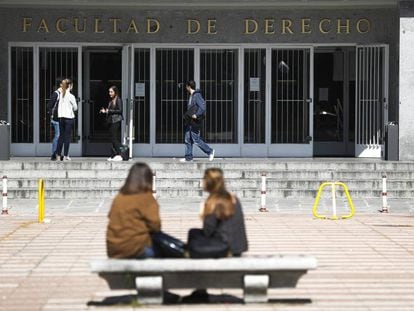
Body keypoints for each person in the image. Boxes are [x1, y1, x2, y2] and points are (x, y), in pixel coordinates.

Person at [184, 167, 248, 302]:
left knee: (193, 234)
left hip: (225, 248)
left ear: (209, 182)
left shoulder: (214, 201)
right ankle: (200, 289)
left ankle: (200, 289)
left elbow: (208, 231)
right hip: (238, 247)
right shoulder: (233, 198)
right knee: (195, 234)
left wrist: (203, 213)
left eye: (204, 180)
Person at [106, 162, 161, 259]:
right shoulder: (146, 198)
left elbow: (111, 216)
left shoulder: (119, 197)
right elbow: (156, 225)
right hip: (135, 249)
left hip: (113, 249)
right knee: (164, 250)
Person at [180, 80, 215, 162]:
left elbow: (203, 107)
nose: (186, 88)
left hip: (194, 121)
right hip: (190, 121)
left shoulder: (197, 95)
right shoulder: (192, 95)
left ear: (188, 86)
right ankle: (188, 157)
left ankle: (210, 151)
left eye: (186, 86)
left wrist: (196, 115)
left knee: (195, 139)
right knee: (187, 138)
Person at [54, 79, 77, 161]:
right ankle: (66, 155)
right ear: (70, 86)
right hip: (69, 118)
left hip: (61, 118)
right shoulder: (71, 96)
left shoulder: (60, 95)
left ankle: (58, 154)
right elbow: (75, 107)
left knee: (61, 136)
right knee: (67, 137)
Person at [100, 86, 123, 162]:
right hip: (111, 120)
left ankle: (119, 154)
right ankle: (113, 155)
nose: (110, 93)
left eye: (111, 92)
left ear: (115, 92)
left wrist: (109, 111)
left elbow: (120, 110)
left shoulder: (118, 100)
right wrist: (106, 111)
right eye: (109, 92)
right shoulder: (111, 100)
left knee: (114, 138)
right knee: (111, 138)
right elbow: (111, 110)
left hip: (116, 120)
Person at [46, 80, 62, 161]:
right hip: (56, 118)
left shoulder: (65, 94)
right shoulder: (56, 94)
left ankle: (59, 153)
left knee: (61, 136)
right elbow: (49, 106)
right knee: (58, 135)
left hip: (63, 118)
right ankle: (54, 153)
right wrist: (52, 115)